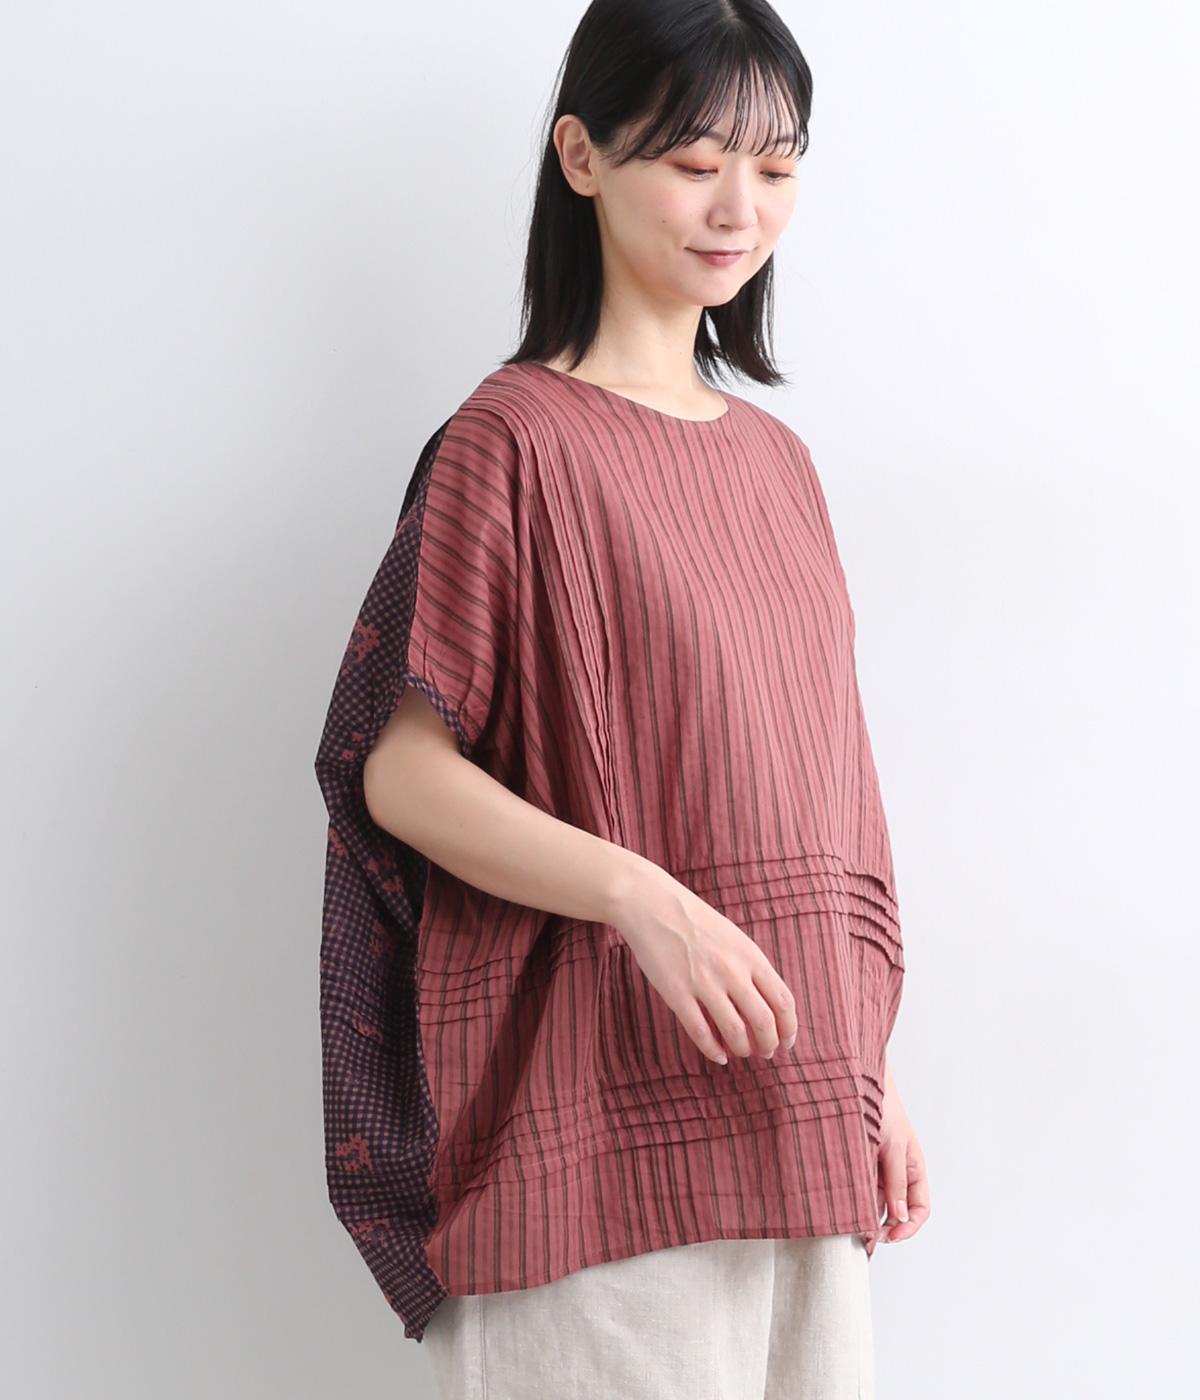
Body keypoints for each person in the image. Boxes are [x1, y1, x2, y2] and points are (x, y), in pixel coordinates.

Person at [312, 1, 929, 1395]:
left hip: (797, 1125)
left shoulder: (779, 465)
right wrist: (642, 898)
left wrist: (870, 1066)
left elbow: (815, 788)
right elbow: (399, 773)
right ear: (581, 156)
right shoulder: (511, 442)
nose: (740, 208)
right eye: (696, 161)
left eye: (777, 167)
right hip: (589, 1144)